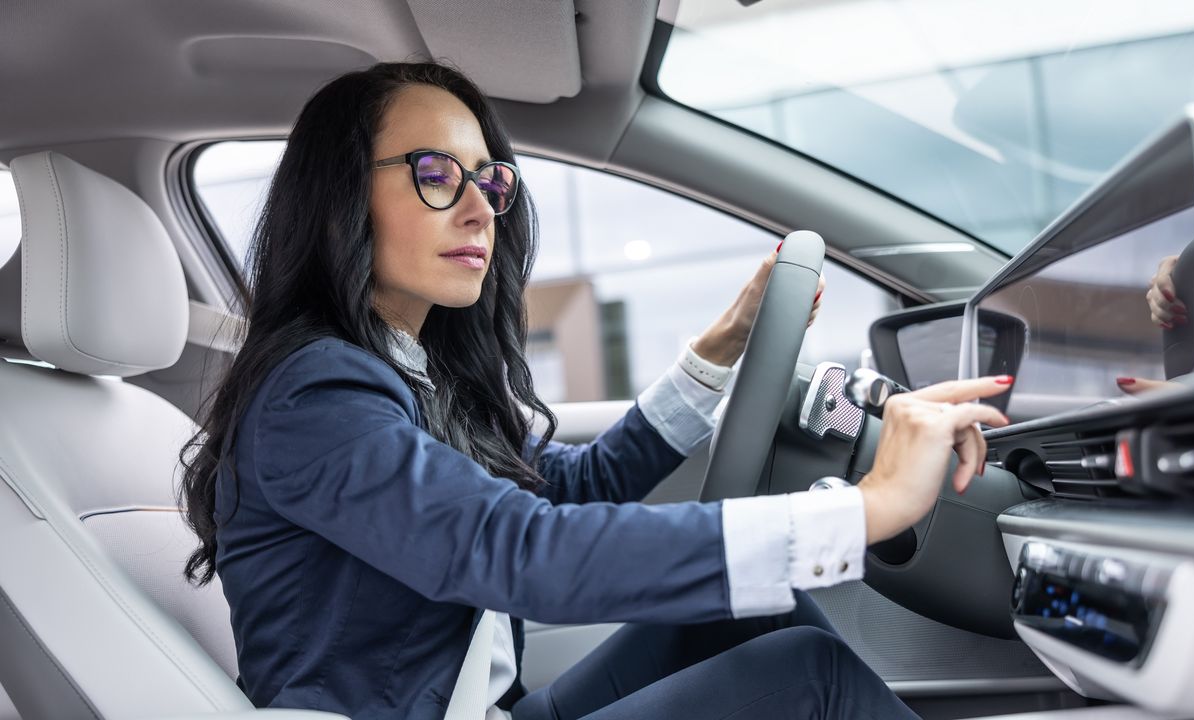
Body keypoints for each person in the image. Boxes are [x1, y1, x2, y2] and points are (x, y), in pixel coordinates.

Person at [179, 62, 1011, 720]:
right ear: (338, 197)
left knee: (752, 615)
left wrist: (721, 349)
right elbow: (517, 551)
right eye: (437, 173)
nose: (480, 210)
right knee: (812, 675)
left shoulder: (406, 369)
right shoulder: (315, 396)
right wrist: (864, 511)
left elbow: (564, 488)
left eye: (490, 180)